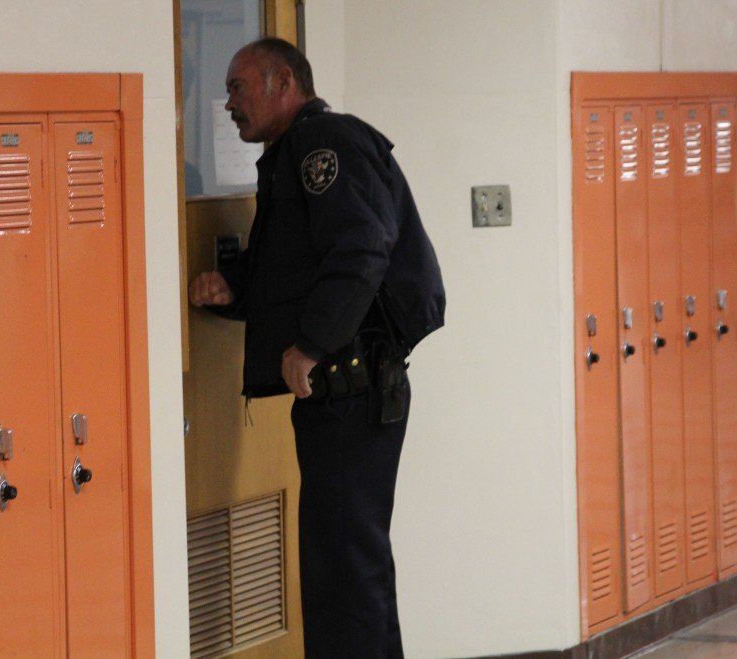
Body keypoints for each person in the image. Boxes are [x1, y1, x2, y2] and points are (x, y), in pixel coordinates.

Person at [189, 37, 445, 658]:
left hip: (351, 391)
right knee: (346, 565)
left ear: (283, 82)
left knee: (343, 569)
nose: (227, 104)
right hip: (343, 396)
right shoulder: (291, 154)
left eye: (237, 88)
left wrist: (309, 345)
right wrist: (236, 288)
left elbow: (360, 252)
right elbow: (298, 266)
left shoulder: (321, 146)